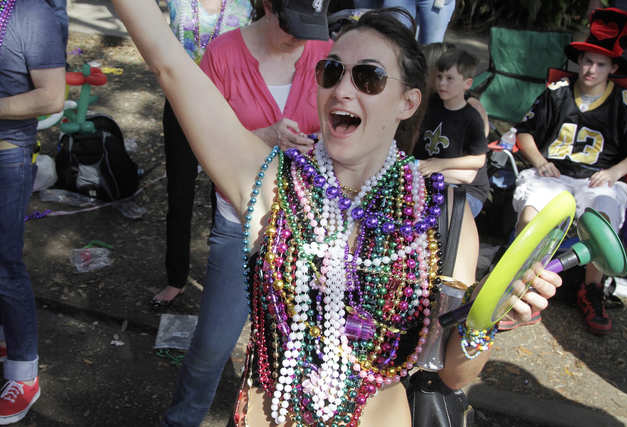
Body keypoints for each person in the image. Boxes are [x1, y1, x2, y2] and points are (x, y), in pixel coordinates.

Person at [111, 2, 561, 425]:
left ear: (407, 102)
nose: (342, 89)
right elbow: (169, 64)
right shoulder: (274, 183)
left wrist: (492, 317)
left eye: (368, 77)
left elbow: (453, 375)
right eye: (331, 72)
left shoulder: (441, 218)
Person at [161, 0, 331, 424]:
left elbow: (344, 128)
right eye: (293, 24)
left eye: (312, 25)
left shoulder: (325, 51)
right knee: (213, 344)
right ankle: (182, 418)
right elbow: (202, 143)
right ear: (267, 6)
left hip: (306, 225)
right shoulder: (222, 54)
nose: (302, 37)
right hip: (240, 223)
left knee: (299, 347)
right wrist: (264, 136)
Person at [513, 7, 627, 336]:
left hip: (598, 178)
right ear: (578, 60)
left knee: (603, 215)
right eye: (586, 60)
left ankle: (591, 290)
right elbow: (524, 132)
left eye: (600, 63)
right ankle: (525, 282)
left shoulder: (624, 102)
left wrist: (615, 172)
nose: (591, 69)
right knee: (531, 212)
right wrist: (539, 160)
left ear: (613, 67)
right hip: (554, 174)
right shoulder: (558, 93)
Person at [151, 0, 253, 309]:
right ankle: (176, 279)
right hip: (181, 106)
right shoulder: (180, 3)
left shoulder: (245, 6)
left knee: (224, 197)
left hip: (227, 109)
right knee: (179, 194)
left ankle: (220, 281)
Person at [0, 0, 66, 423]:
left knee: (4, 266)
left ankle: (23, 372)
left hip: (5, 154)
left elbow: (51, 96)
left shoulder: (31, 14)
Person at [413, 48, 489, 217]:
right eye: (439, 77)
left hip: (463, 189)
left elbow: (478, 160)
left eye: (449, 79)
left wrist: (439, 164)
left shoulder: (471, 117)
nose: (442, 83)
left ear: (467, 84)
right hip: (429, 177)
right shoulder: (432, 103)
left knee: (438, 216)